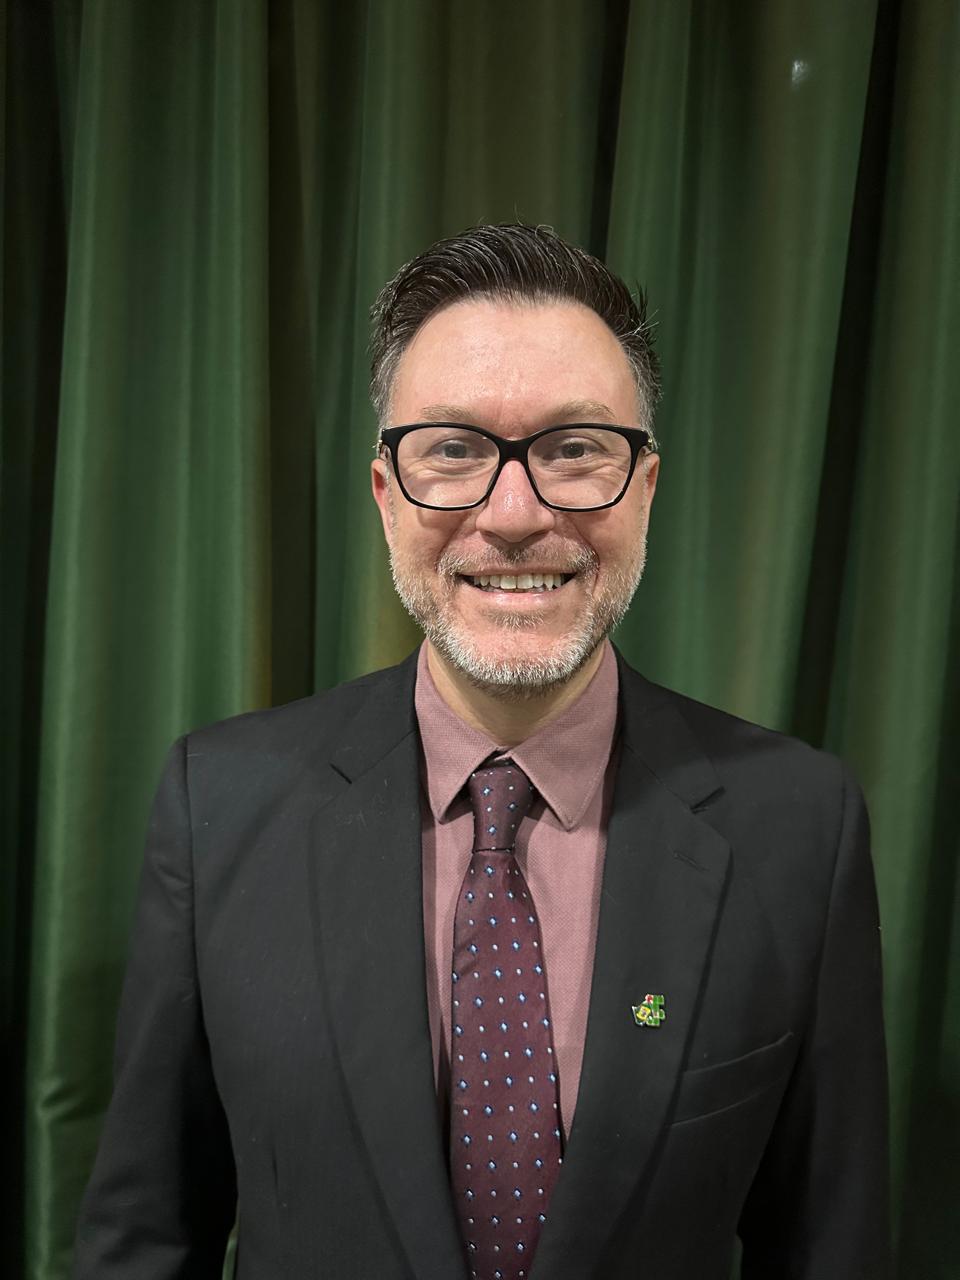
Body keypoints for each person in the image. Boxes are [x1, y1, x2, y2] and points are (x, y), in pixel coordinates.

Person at [72, 224, 889, 1280]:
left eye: (575, 449)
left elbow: (832, 1244)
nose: (514, 514)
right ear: (385, 494)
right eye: (453, 450)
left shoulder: (800, 826)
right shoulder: (218, 804)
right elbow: (145, 1236)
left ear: (644, 488)